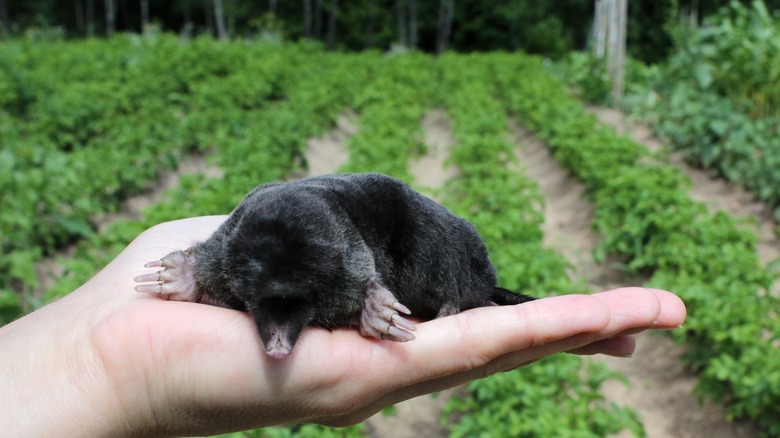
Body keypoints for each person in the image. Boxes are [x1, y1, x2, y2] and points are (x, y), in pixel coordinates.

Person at [0, 216, 686, 437]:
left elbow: (357, 265)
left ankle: (456, 295)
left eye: (285, 325)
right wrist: (106, 359)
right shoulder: (232, 251)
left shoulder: (348, 262)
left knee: (461, 284)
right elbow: (216, 257)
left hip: (414, 245)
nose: (277, 347)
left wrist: (368, 300)